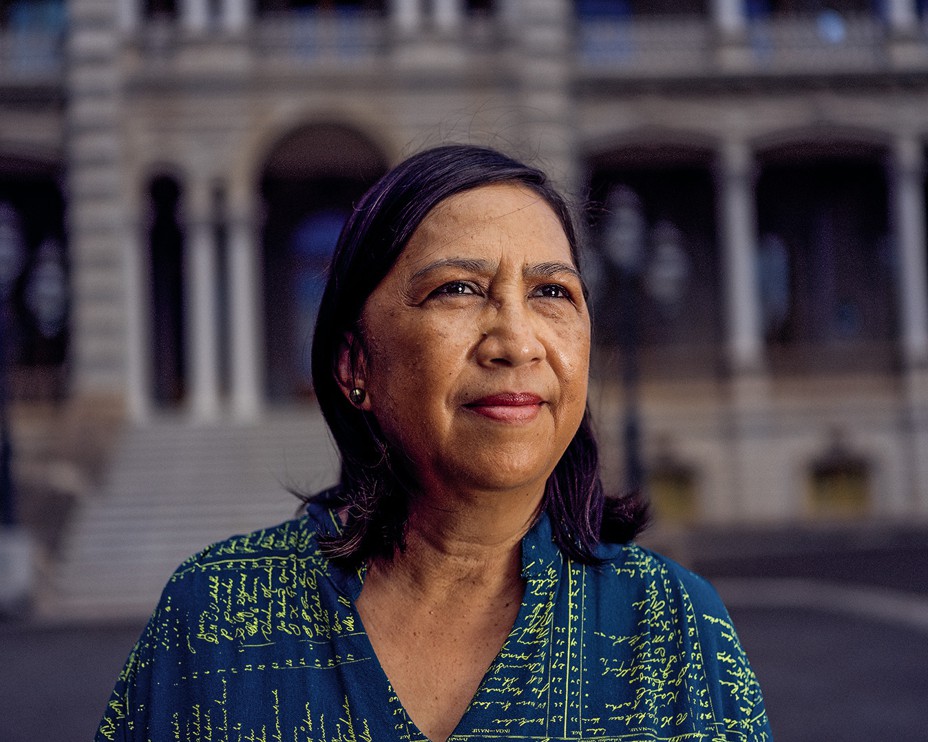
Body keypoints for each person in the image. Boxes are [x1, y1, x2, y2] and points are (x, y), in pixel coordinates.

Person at [97, 145, 772, 741]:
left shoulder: (670, 626)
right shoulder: (215, 619)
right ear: (354, 364)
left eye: (551, 292)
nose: (516, 341)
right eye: (458, 289)